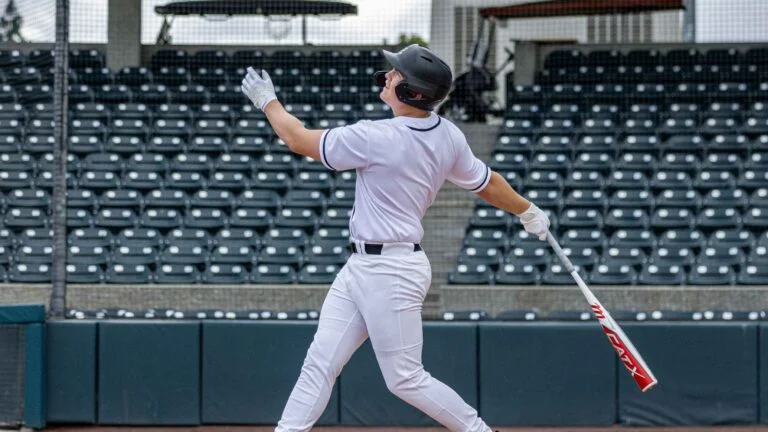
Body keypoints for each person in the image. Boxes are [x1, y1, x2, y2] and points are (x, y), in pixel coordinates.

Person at [241, 44, 550, 432]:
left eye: (397, 74)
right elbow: (487, 184)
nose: (388, 75)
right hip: (363, 266)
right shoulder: (448, 135)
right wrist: (526, 210)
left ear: (413, 92)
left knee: (404, 377)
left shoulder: (376, 136)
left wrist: (268, 101)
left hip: (392, 270)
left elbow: (297, 139)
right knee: (320, 361)